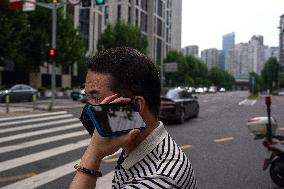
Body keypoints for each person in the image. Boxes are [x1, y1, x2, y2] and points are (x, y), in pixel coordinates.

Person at [69, 47, 197, 189]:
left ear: (135, 106)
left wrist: (93, 152)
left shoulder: (160, 178)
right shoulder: (136, 148)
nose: (89, 107)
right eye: (88, 97)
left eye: (96, 97)